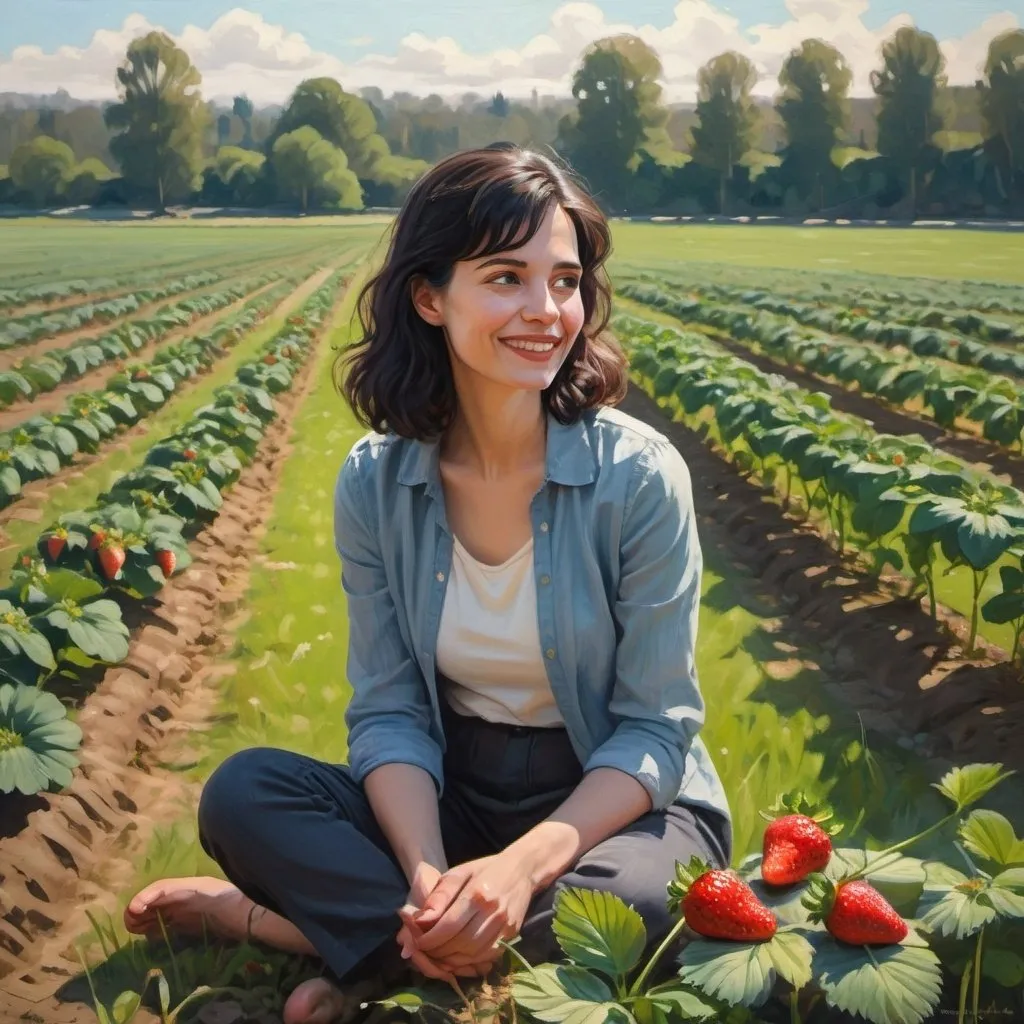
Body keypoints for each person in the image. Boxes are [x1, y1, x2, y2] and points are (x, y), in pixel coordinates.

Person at [123, 144, 733, 1024]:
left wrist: (520, 869)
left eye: (564, 281)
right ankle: (440, 944)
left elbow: (654, 729)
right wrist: (426, 872)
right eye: (506, 277)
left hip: (615, 805)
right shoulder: (375, 482)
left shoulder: (638, 477)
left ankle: (294, 933)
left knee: (632, 902)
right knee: (243, 793)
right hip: (456, 790)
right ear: (429, 295)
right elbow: (391, 711)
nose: (545, 310)